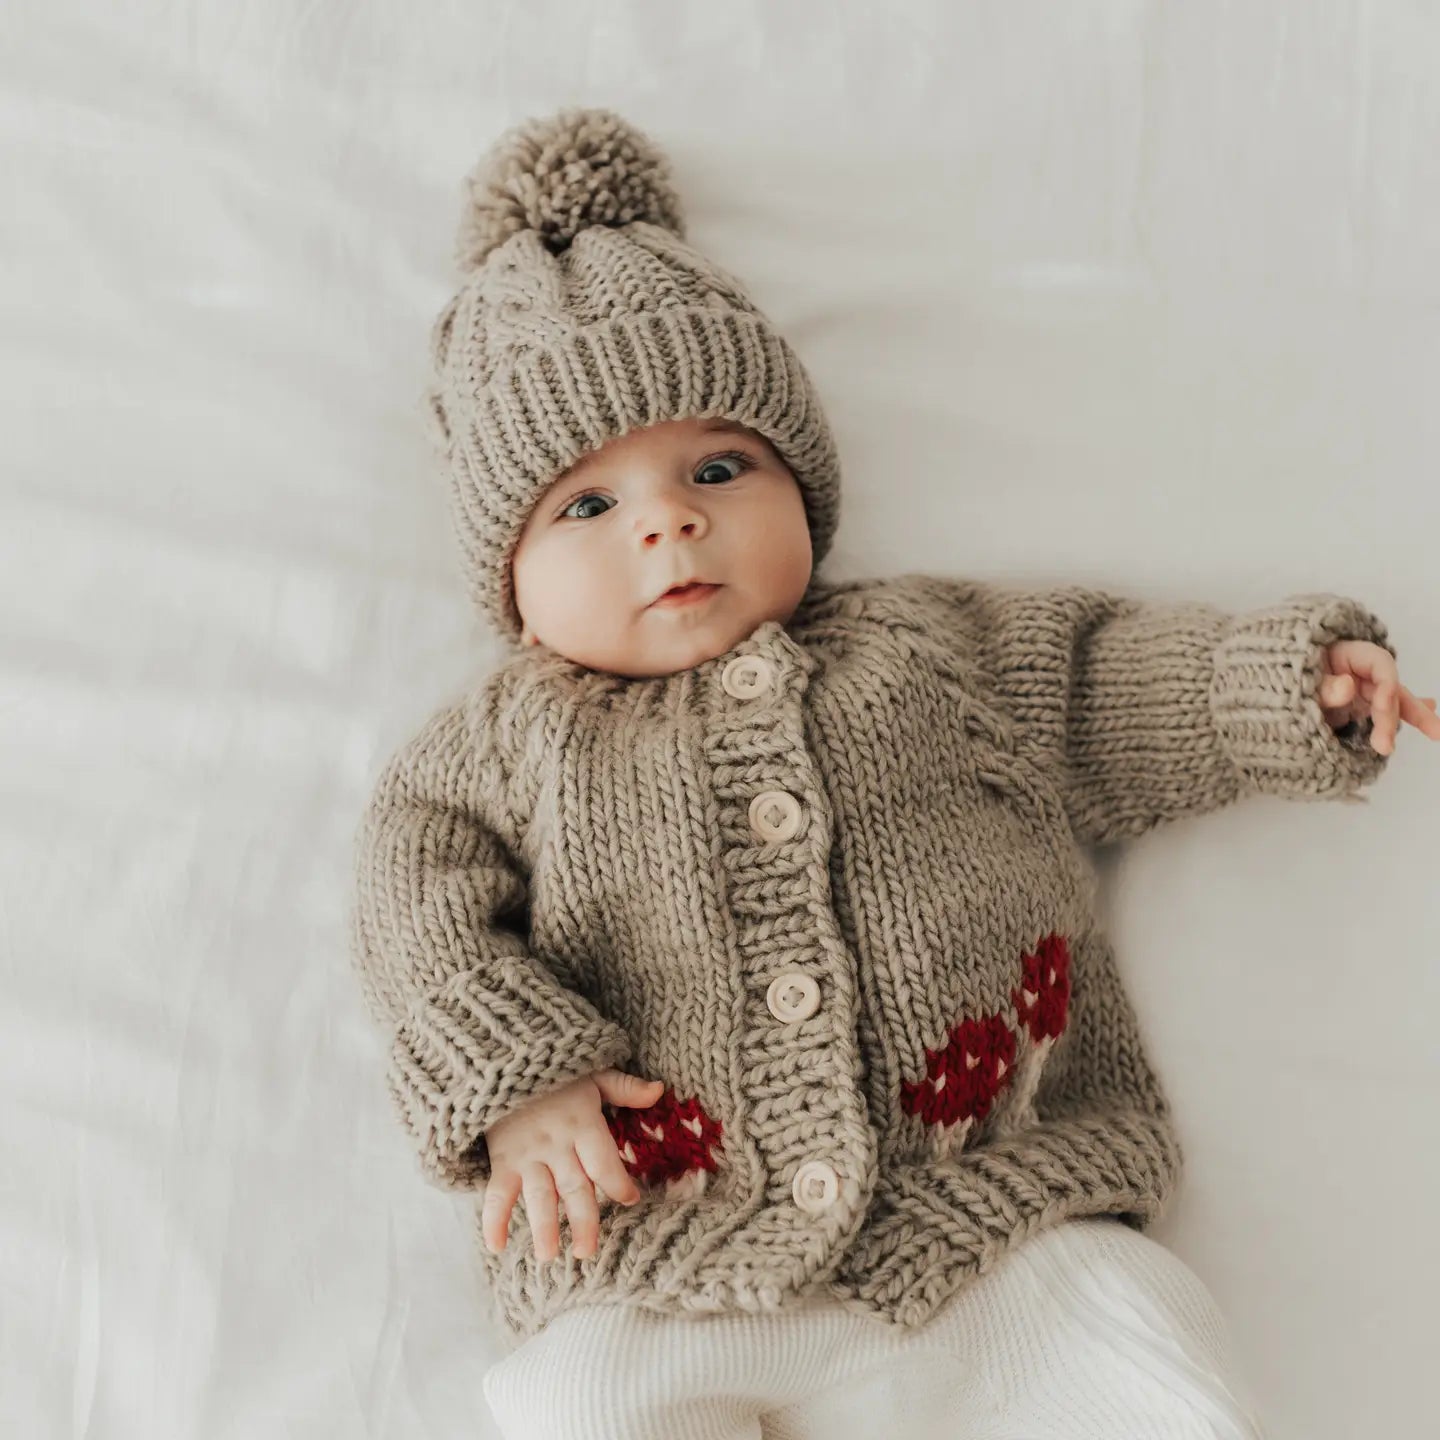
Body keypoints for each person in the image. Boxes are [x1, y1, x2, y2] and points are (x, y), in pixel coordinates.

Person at [348, 107, 1440, 1440]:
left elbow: (1105, 686)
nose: (668, 519)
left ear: (803, 487)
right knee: (579, 1404)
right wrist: (519, 1083)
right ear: (509, 587)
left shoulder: (926, 652)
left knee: (1159, 1366)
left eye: (718, 466)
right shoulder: (505, 747)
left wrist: (1281, 686)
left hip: (993, 1225)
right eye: (587, 505)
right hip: (664, 1271)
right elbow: (416, 907)